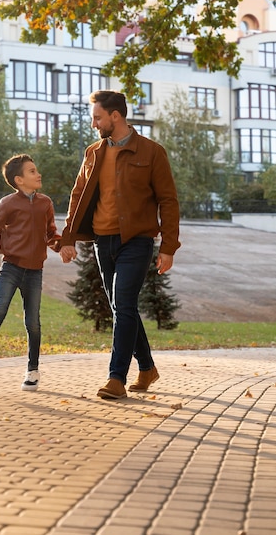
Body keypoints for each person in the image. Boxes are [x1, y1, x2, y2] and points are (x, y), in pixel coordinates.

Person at [59, 90, 180, 400]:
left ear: (116, 116)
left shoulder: (152, 152)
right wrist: (68, 238)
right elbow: (78, 195)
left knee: (123, 306)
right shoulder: (93, 152)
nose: (94, 124)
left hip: (136, 241)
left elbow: (168, 200)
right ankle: (148, 368)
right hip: (103, 240)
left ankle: (116, 378)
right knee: (121, 307)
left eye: (97, 118)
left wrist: (168, 246)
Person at [0, 154, 61, 391]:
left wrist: (63, 247)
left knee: (33, 322)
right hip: (11, 267)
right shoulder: (8, 203)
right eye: (32, 171)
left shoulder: (45, 203)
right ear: (19, 180)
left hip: (34, 272)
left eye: (36, 169)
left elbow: (51, 234)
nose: (38, 174)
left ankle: (32, 371)